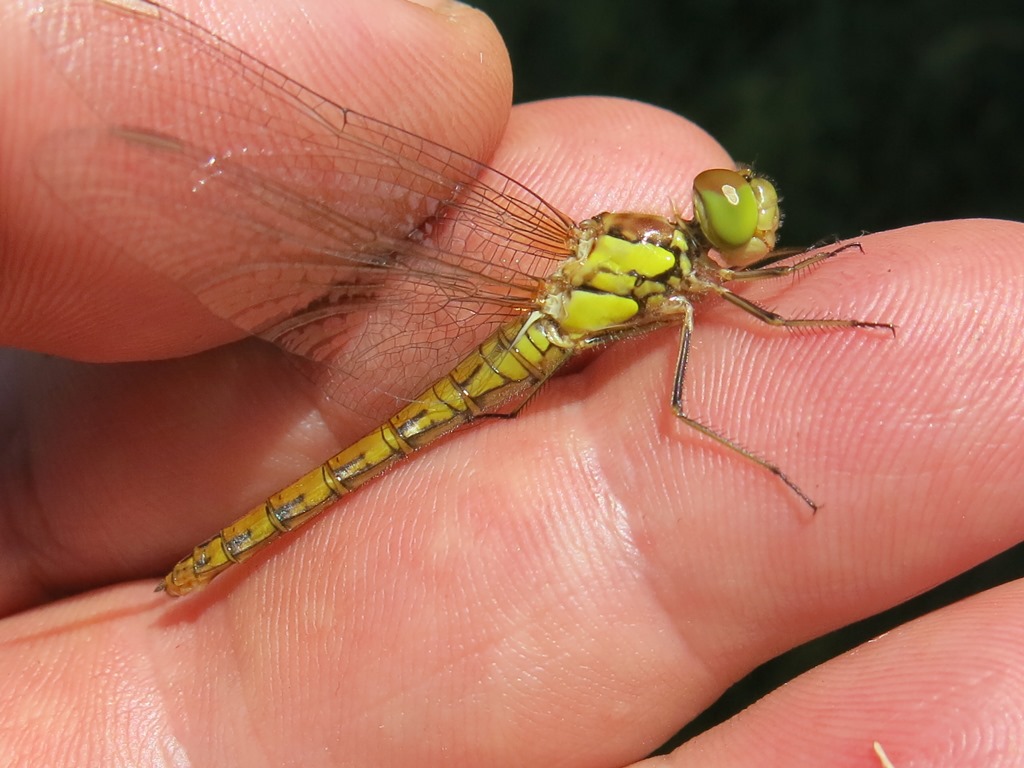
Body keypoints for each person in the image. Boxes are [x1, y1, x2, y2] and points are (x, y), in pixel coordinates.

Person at [1, 0, 1022, 765]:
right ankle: (212, 557)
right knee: (664, 397)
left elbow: (746, 294)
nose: (754, 220)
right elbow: (739, 341)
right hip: (481, 363)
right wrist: (807, 330)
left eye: (750, 212)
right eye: (737, 211)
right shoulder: (678, 283)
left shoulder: (677, 274)